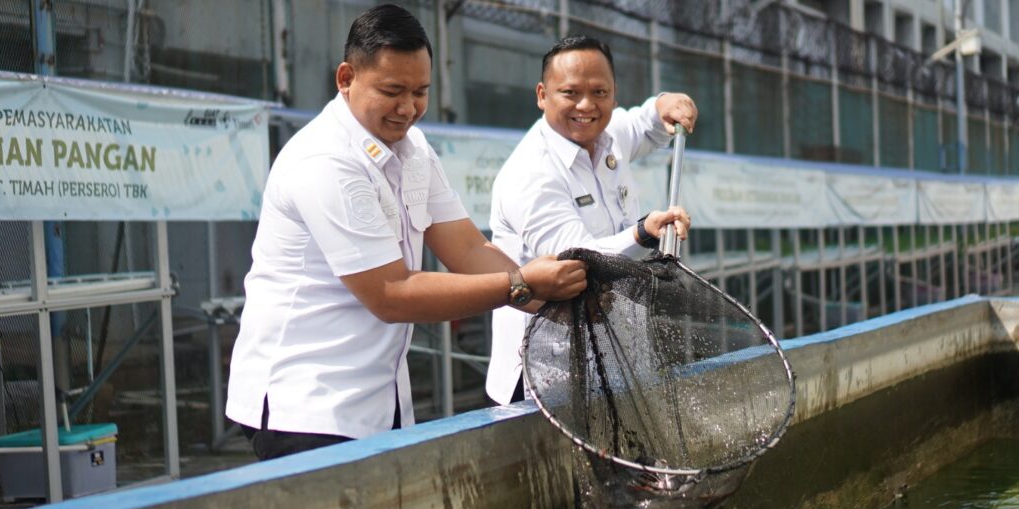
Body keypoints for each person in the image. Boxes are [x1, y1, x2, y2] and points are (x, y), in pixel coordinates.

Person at [226, 4, 586, 460]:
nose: (408, 108)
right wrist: (521, 285)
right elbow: (391, 293)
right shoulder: (326, 162)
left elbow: (468, 246)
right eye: (392, 90)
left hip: (376, 397)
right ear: (345, 78)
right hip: (305, 405)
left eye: (420, 91)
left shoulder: (412, 148)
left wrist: (555, 301)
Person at [485, 35, 698, 405]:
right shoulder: (529, 174)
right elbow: (579, 261)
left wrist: (664, 103)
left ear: (614, 95)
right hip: (548, 375)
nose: (586, 105)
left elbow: (645, 125)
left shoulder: (608, 135)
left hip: (619, 360)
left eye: (600, 92)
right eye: (570, 92)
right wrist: (643, 232)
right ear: (542, 95)